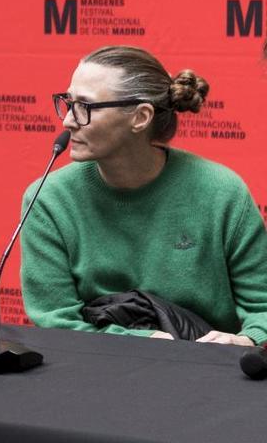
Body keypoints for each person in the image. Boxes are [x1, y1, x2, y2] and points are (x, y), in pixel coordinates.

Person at [21, 45, 267, 345]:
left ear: (140, 117)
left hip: (208, 372)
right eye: (68, 102)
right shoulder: (47, 199)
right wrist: (145, 343)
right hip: (97, 370)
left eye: (85, 106)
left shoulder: (222, 191)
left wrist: (248, 340)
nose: (68, 121)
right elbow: (55, 319)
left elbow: (262, 307)